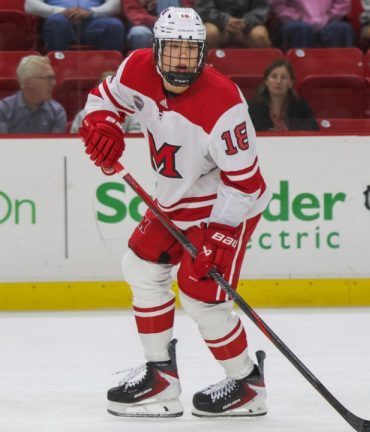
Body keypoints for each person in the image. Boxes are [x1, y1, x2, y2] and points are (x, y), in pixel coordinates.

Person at [79, 7, 270, 418]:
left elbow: (246, 185)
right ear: (155, 49)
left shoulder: (224, 105)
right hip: (175, 197)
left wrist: (217, 235)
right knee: (142, 268)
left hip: (225, 204)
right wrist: (103, 125)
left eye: (191, 51)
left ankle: (246, 383)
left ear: (203, 53)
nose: (182, 60)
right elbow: (102, 100)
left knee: (202, 296)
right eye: (173, 50)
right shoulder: (136, 69)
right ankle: (160, 379)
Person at [0, 55, 67, 134]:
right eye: (49, 78)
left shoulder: (57, 112)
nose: (54, 83)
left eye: (53, 78)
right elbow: (0, 146)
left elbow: (55, 146)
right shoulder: (2, 111)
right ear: (29, 82)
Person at [24, 0, 125, 52]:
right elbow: (30, 5)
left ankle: (109, 73)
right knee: (56, 23)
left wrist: (91, 12)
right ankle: (59, 68)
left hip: (92, 21)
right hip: (60, 18)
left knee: (114, 26)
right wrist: (62, 11)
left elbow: (116, 5)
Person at [247, 59, 319, 131]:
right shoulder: (253, 106)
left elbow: (313, 132)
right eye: (274, 77)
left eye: (283, 78)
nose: (278, 81)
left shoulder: (301, 106)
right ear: (266, 81)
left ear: (290, 83)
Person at [69, 71, 141, 133]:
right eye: (104, 88)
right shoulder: (84, 114)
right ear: (98, 90)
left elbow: (135, 140)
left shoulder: (130, 115)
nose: (108, 92)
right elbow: (75, 139)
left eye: (111, 88)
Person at [270, 0, 355, 49]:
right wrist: (299, 18)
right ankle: (299, 74)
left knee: (341, 29)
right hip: (293, 21)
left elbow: (343, 3)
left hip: (328, 20)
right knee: (300, 29)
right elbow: (279, 6)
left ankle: (340, 76)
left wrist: (327, 17)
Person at [195, 0, 271, 48]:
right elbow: (204, 9)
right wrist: (225, 20)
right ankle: (205, 69)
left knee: (260, 36)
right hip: (217, 25)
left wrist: (246, 22)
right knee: (208, 34)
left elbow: (260, 9)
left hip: (247, 27)